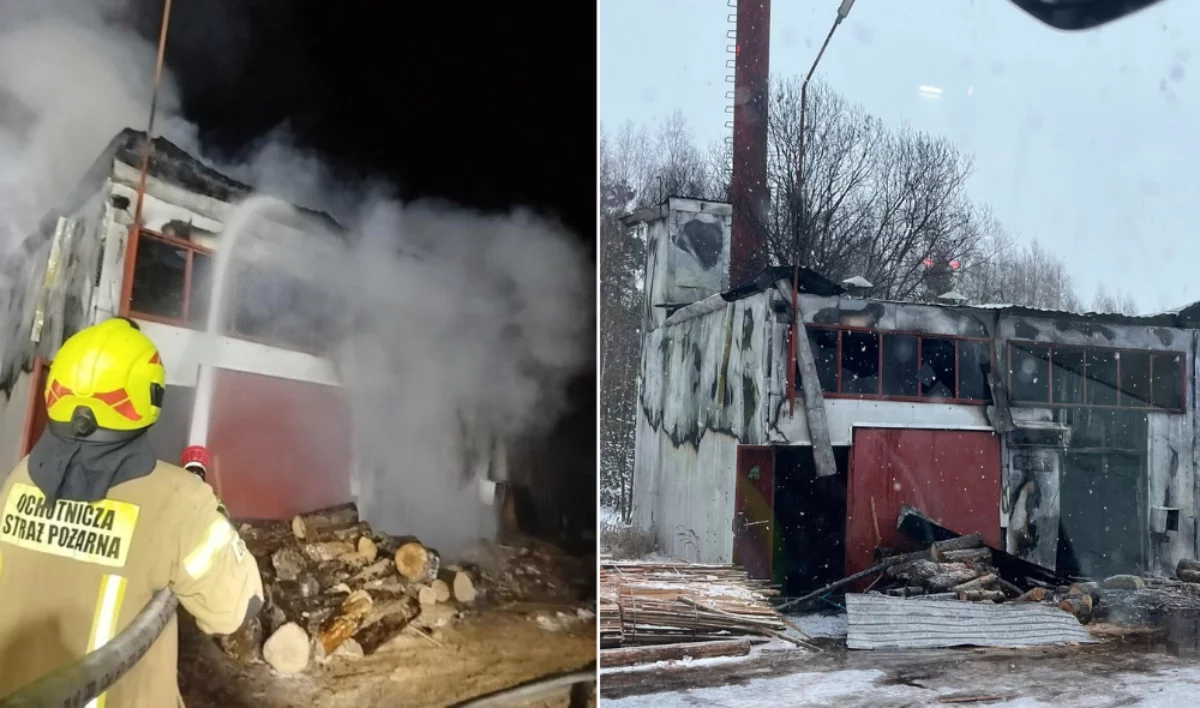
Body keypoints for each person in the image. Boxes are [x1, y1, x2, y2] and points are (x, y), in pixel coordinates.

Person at [0, 317, 263, 707]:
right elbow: (237, 609)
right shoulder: (180, 502)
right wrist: (213, 517)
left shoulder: (20, 478)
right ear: (150, 397)